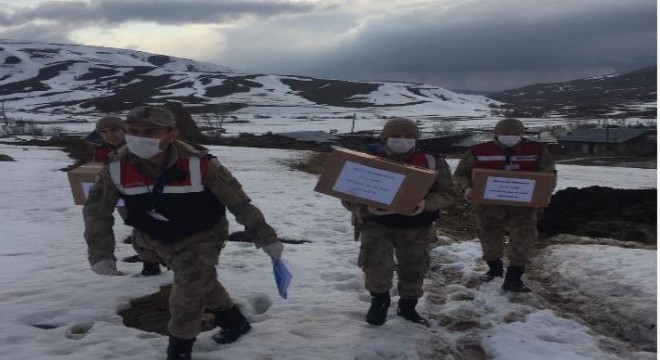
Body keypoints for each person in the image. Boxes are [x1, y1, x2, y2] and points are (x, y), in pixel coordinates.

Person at [83, 105, 284, 360]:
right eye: (133, 131)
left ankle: (179, 350)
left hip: (203, 234)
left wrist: (266, 237)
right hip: (156, 236)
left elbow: (239, 203)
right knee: (202, 280)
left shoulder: (200, 163)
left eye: (150, 131)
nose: (140, 137)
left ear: (171, 135)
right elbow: (96, 211)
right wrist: (100, 253)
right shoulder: (115, 166)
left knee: (187, 293)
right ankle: (234, 322)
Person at [342, 118, 454, 327]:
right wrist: (364, 208)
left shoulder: (432, 162)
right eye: (396, 137)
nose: (402, 141)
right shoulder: (368, 161)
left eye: (408, 137)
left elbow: (447, 194)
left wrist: (426, 203)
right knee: (375, 265)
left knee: (414, 267)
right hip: (376, 224)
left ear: (416, 139)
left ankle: (408, 307)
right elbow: (348, 195)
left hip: (417, 226)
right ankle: (379, 302)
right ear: (384, 138)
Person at [452, 118, 556, 292]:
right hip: (488, 206)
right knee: (489, 237)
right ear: (496, 133)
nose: (510, 136)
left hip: (524, 206)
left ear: (521, 134)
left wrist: (545, 193)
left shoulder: (537, 150)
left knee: (523, 239)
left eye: (515, 134)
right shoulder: (477, 151)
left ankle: (514, 278)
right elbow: (460, 175)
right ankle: (494, 270)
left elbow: (549, 174)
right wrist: (467, 189)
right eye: (505, 134)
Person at [90, 116, 162, 276]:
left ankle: (153, 264)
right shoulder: (101, 150)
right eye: (104, 131)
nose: (109, 135)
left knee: (150, 228)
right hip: (120, 198)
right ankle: (149, 260)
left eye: (114, 130)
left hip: (145, 196)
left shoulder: (141, 147)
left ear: (125, 130)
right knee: (138, 227)